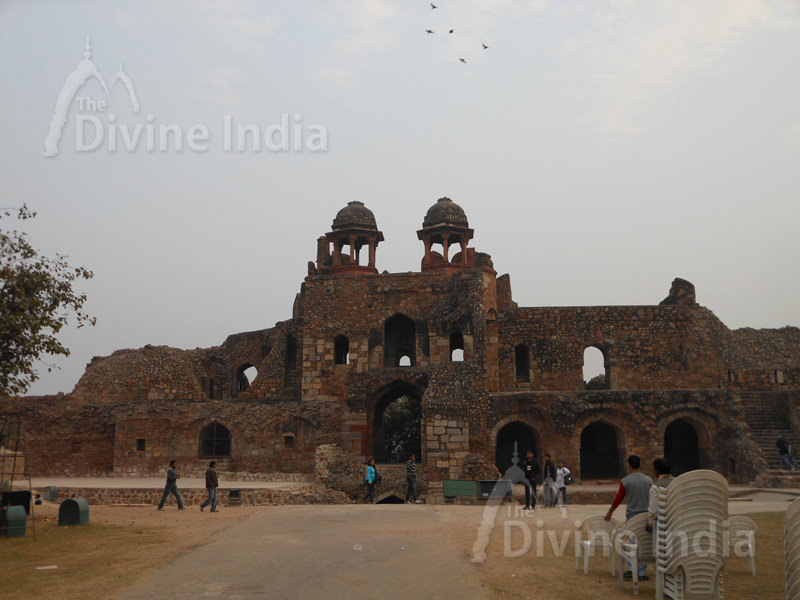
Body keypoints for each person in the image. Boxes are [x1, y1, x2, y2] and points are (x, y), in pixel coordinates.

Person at [604, 455, 653, 580]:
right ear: (640, 465)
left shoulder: (626, 481)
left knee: (629, 544)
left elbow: (619, 498)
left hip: (632, 516)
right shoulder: (649, 481)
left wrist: (610, 511)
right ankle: (641, 571)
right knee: (642, 543)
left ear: (629, 465)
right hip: (646, 516)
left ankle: (632, 569)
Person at [646, 457, 674, 554]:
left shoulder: (655, 487)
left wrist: (649, 523)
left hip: (662, 525)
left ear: (656, 471)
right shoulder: (678, 483)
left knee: (661, 553)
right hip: (677, 522)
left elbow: (653, 511)